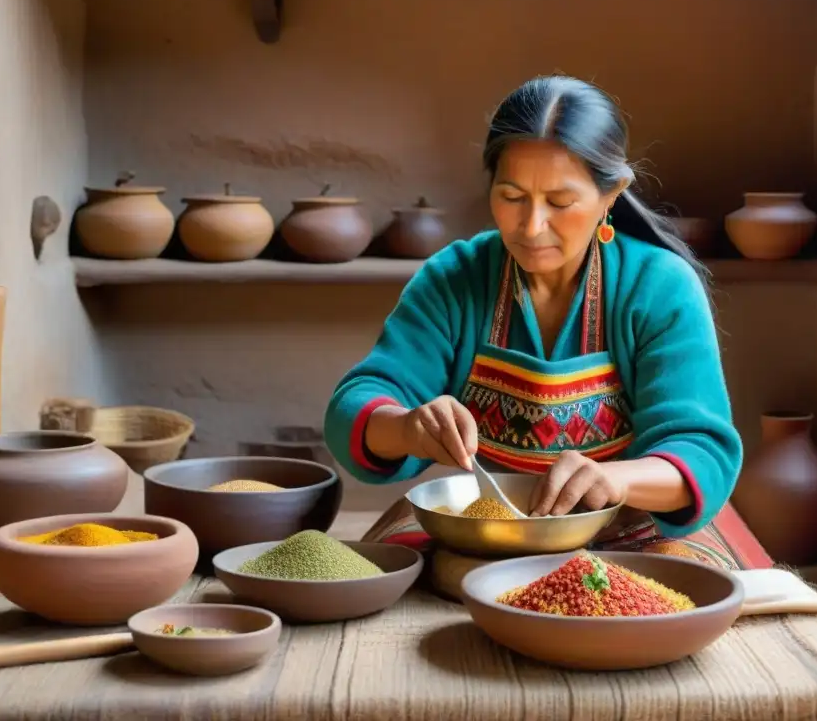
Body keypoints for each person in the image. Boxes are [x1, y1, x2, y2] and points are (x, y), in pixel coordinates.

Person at [324, 75, 770, 570]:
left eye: (560, 203)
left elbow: (703, 450)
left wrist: (619, 479)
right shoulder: (455, 279)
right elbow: (356, 404)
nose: (532, 226)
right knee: (386, 577)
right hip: (493, 525)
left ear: (611, 194)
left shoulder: (660, 285)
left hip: (638, 531)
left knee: (683, 596)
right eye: (512, 197)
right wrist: (407, 428)